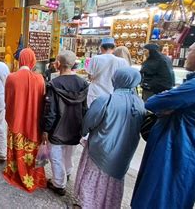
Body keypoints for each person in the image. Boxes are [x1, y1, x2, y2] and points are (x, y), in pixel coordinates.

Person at [131, 35, 195, 208]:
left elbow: (153, 102)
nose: (187, 55)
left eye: (190, 51)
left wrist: (170, 108)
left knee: (156, 200)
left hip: (175, 154)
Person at [74, 67, 145, 208]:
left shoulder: (106, 100)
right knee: (113, 183)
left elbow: (89, 122)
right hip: (123, 155)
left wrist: (82, 133)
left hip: (100, 149)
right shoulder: (139, 104)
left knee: (92, 178)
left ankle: (87, 204)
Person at [42, 50, 89, 196]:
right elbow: (84, 108)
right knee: (69, 155)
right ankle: (66, 174)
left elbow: (50, 111)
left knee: (56, 156)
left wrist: (45, 129)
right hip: (75, 126)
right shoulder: (83, 83)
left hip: (57, 127)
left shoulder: (54, 84)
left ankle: (58, 184)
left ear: (57, 64)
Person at [3, 48, 46, 192]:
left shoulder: (11, 77)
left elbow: (7, 101)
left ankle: (15, 172)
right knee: (31, 151)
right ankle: (32, 174)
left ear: (20, 59)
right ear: (33, 60)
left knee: (16, 147)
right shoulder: (40, 79)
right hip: (33, 123)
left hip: (16, 121)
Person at [86, 37, 128, 106]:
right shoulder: (122, 61)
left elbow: (90, 76)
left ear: (101, 47)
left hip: (95, 93)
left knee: (93, 114)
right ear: (114, 48)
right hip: (112, 94)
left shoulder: (95, 58)